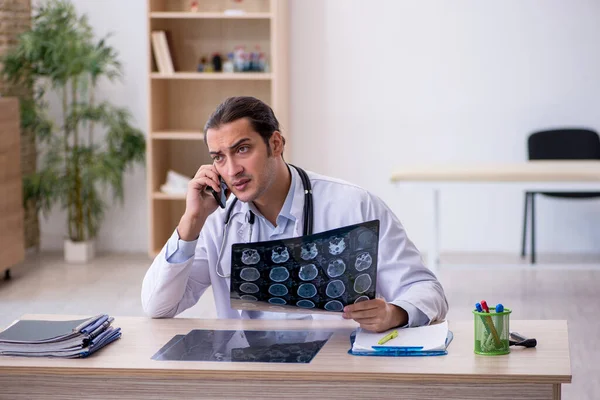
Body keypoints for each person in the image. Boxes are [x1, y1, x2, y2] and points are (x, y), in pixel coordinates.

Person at [142, 96, 448, 332]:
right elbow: (157, 306)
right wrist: (190, 223)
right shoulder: (217, 221)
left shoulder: (354, 206)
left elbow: (427, 291)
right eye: (219, 157)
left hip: (335, 370)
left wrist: (395, 313)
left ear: (275, 143)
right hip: (249, 377)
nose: (232, 169)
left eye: (243, 149)